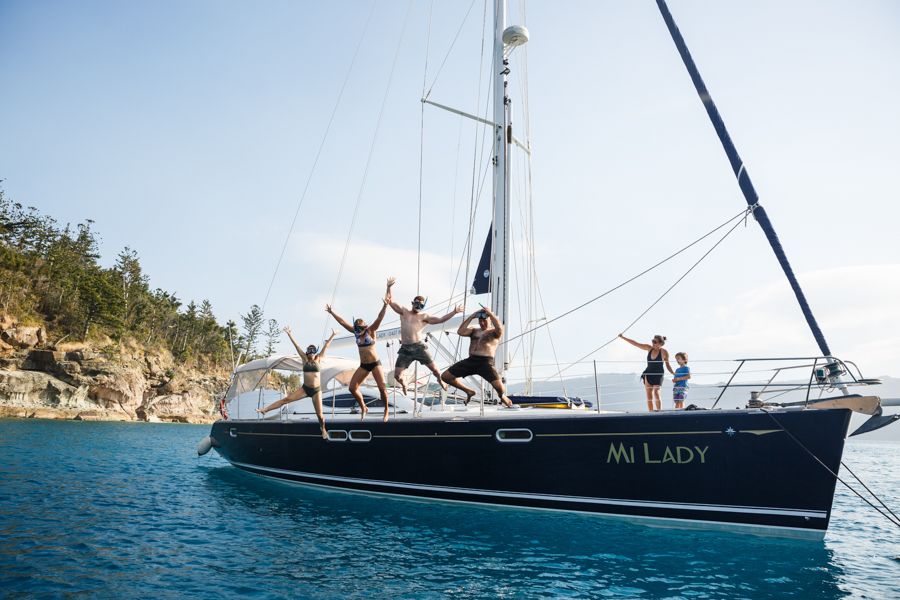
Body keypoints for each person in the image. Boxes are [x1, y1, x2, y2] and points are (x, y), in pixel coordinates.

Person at [384, 277, 462, 394]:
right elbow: (390, 301)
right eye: (416, 304)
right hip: (405, 348)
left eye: (421, 306)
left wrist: (454, 312)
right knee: (397, 376)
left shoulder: (424, 317)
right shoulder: (404, 312)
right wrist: (389, 287)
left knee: (435, 370)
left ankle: (441, 381)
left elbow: (441, 320)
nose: (418, 307)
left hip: (419, 347)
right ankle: (404, 383)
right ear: (412, 303)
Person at [257, 326, 336, 439]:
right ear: (307, 352)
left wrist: (333, 335)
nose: (311, 353)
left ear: (315, 352)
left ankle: (322, 428)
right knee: (286, 400)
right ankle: (265, 410)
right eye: (309, 351)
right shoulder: (304, 359)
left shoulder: (319, 359)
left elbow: (326, 346)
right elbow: (296, 346)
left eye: (313, 351)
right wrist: (290, 334)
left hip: (316, 391)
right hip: (305, 389)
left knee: (320, 416)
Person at [325, 300, 391, 422]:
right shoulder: (355, 332)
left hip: (375, 363)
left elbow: (379, 318)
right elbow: (342, 322)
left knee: (382, 388)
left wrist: (385, 305)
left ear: (364, 327)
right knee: (352, 387)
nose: (358, 330)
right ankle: (363, 407)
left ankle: (386, 409)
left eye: (360, 328)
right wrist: (332, 312)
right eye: (356, 328)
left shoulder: (369, 331)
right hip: (364, 365)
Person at [441, 307, 514, 408]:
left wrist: (491, 314)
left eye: (484, 321)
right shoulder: (474, 331)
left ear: (490, 320)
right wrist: (471, 316)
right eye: (480, 321)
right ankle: (469, 391)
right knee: (445, 377)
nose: (482, 323)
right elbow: (460, 332)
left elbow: (499, 328)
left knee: (499, 388)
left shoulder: (494, 333)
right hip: (471, 361)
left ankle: (502, 396)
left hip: (485, 362)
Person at [618, 333, 674, 412]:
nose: (653, 343)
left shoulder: (664, 352)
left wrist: (673, 373)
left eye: (655, 342)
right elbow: (636, 344)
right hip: (648, 374)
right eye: (652, 341)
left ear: (660, 344)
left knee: (656, 392)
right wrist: (623, 337)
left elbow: (668, 365)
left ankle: (660, 413)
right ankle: (650, 413)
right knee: (649, 395)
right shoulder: (649, 348)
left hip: (658, 375)